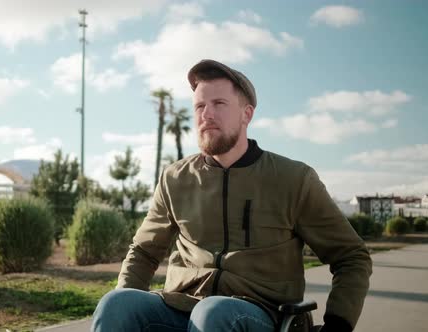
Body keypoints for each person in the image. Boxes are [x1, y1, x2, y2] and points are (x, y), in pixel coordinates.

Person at [92, 59, 372, 332]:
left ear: (246, 114)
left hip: (265, 315)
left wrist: (338, 324)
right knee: (116, 305)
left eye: (219, 104)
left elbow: (351, 256)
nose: (207, 114)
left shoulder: (294, 179)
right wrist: (128, 306)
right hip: (183, 307)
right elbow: (143, 251)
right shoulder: (175, 179)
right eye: (200, 106)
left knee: (214, 312)